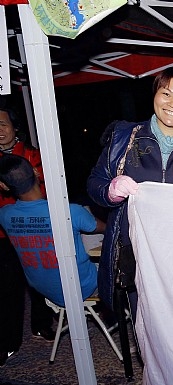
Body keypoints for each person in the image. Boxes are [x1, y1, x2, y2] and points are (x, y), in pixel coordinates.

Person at [87, 66, 173, 315]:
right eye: (166, 94)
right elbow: (94, 182)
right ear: (155, 94)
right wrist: (111, 190)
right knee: (144, 323)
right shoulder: (123, 137)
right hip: (135, 252)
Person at [0, 154, 105, 316]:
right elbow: (107, 229)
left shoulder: (5, 215)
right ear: (36, 172)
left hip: (45, 291)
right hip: (84, 287)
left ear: (4, 186)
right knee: (90, 221)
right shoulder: (70, 211)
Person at [0, 105, 56, 347]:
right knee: (7, 284)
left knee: (39, 277)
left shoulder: (33, 155)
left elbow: (46, 190)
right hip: (3, 233)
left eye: (3, 124)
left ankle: (41, 323)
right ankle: (8, 342)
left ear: (15, 127)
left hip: (32, 227)